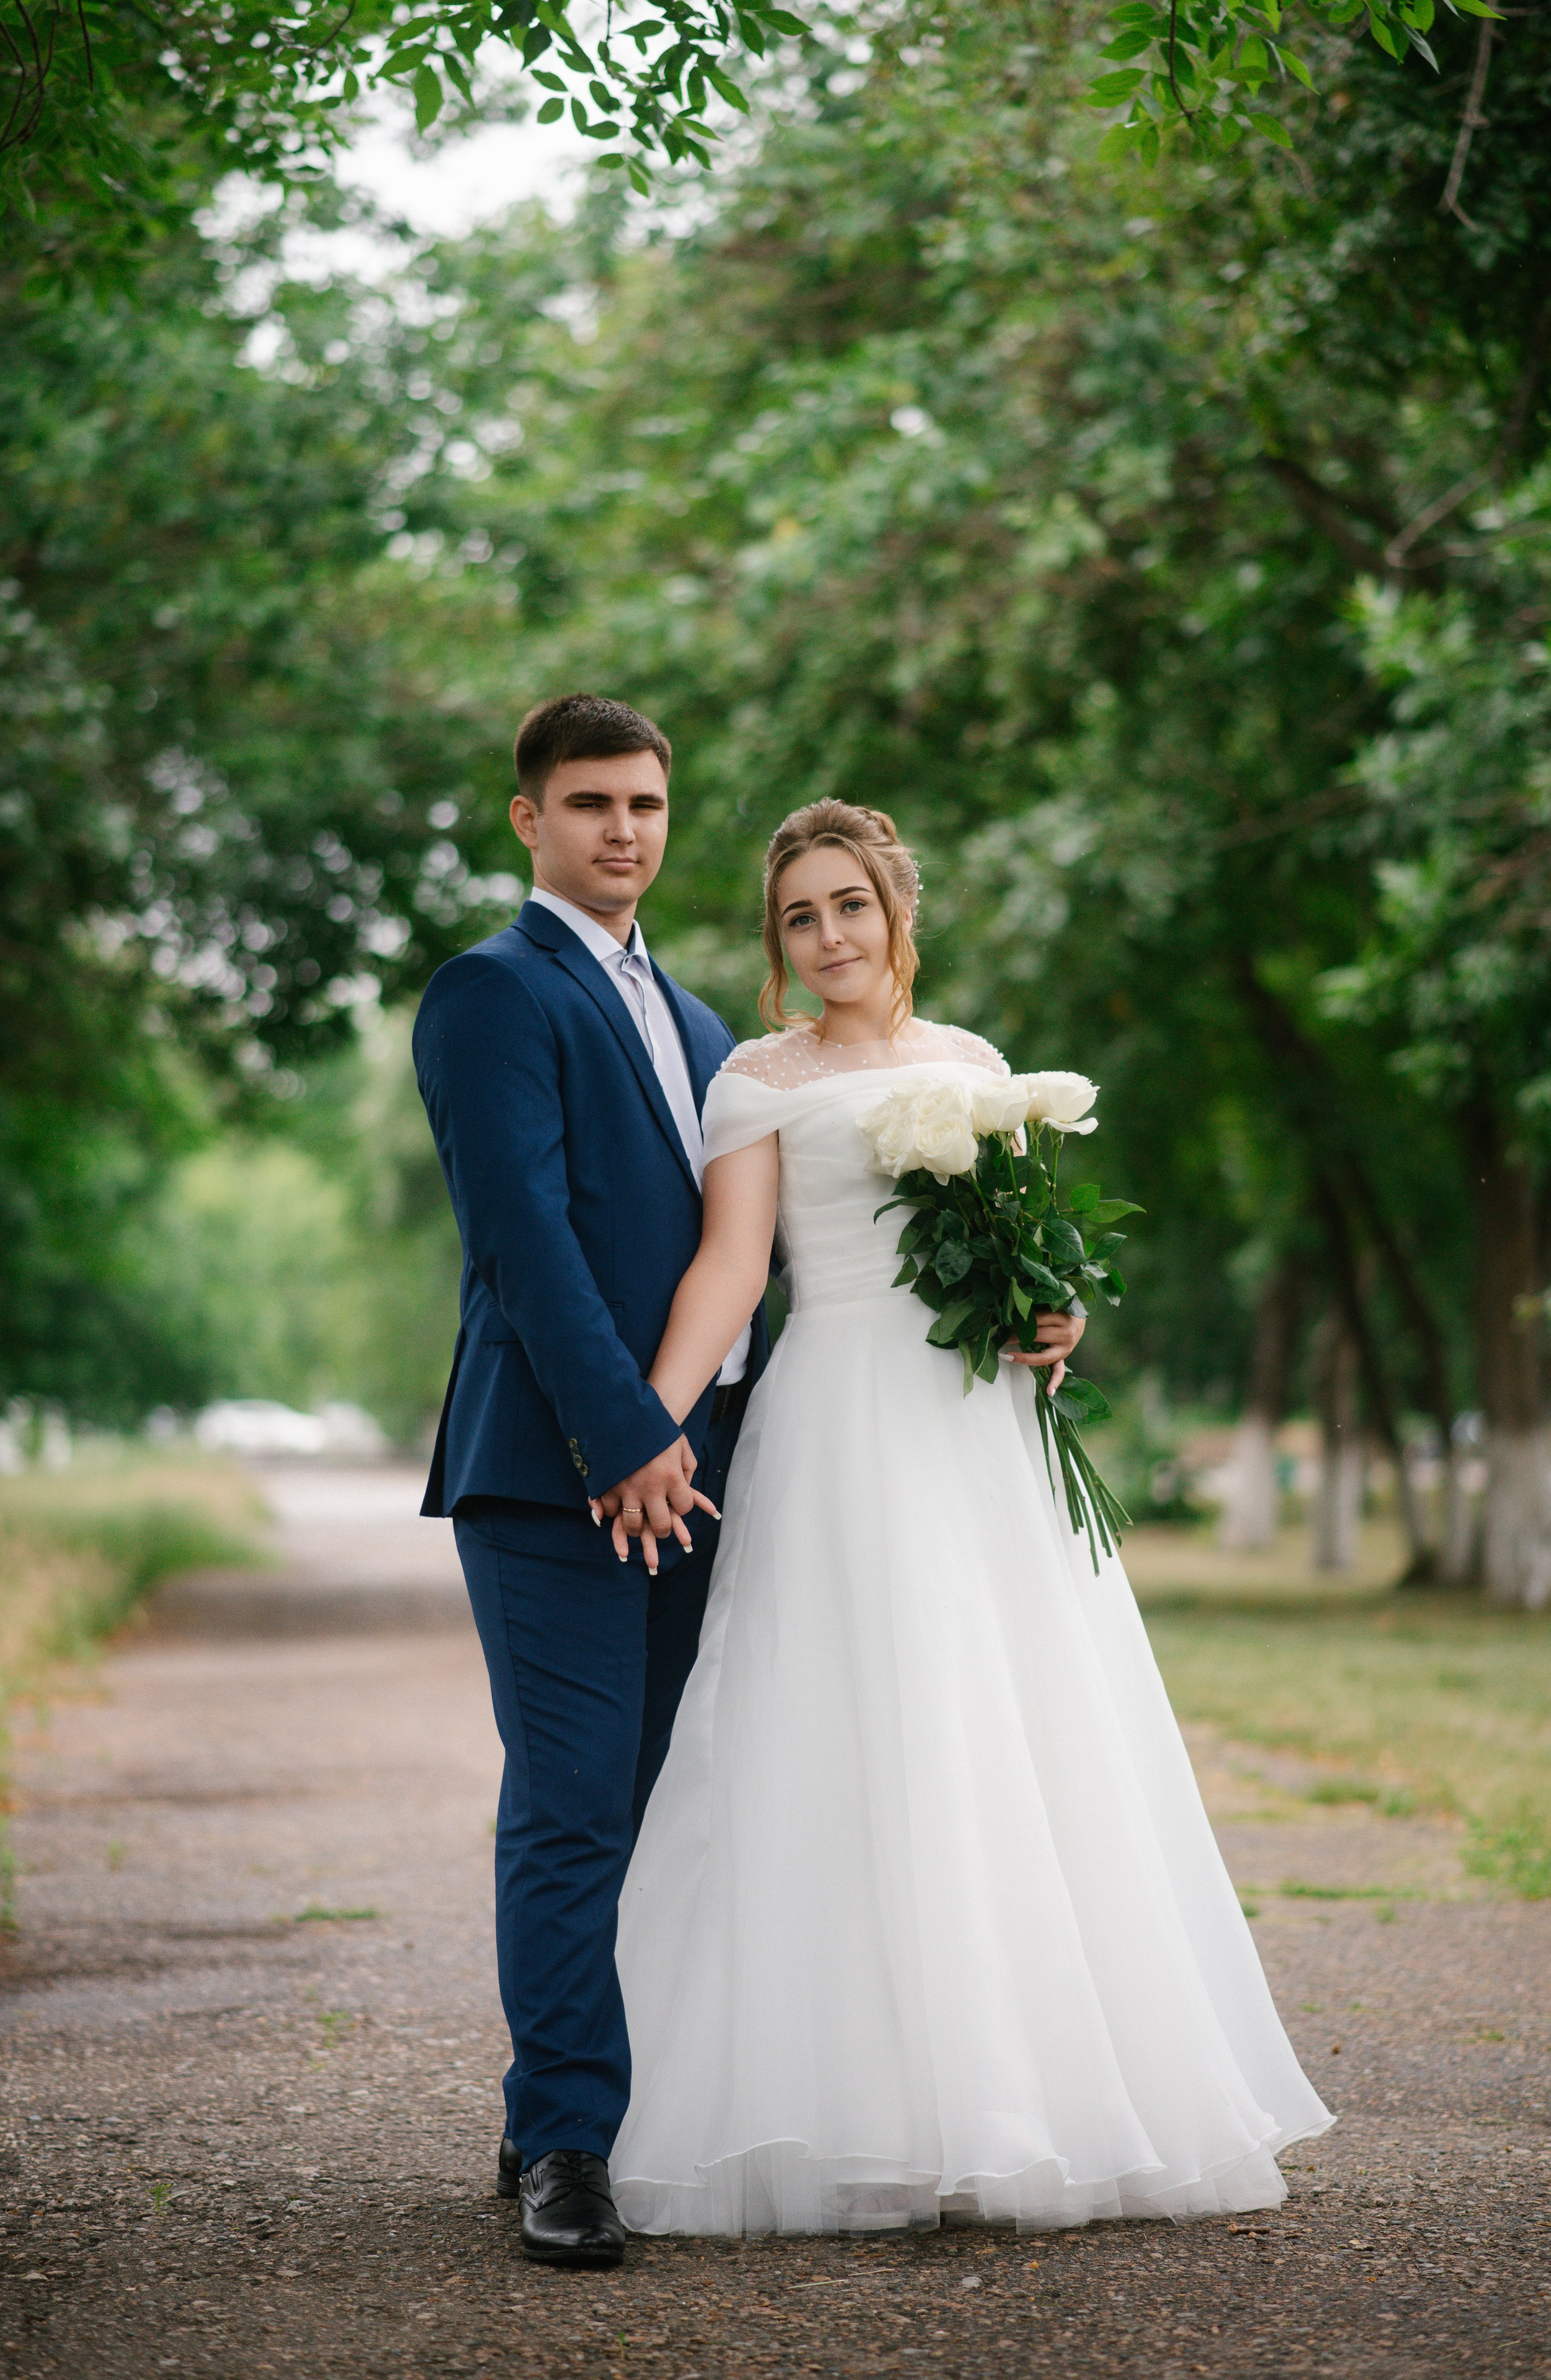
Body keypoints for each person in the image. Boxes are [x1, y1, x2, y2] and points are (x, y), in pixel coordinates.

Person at [598, 797, 1334, 2235]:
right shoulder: (752, 1080)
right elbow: (731, 1272)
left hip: (978, 1430)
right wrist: (647, 1423)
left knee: (1012, 1729)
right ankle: (856, 2105)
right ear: (777, 942)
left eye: (848, 906)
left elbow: (1016, 1260)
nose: (827, 937)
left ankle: (1026, 2097)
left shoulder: (978, 1068)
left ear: (895, 914)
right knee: (836, 1731)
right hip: (837, 1426)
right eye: (798, 917)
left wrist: (1053, 1317)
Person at [412, 693, 774, 2269]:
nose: (622, 830)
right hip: (552, 1467)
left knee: (645, 1801)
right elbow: (522, 1234)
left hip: (706, 1473)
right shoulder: (491, 991)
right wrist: (621, 1436)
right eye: (589, 802)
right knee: (569, 1803)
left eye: (644, 803)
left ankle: (547, 2102)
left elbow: (747, 1249)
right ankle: (565, 2143)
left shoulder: (702, 1025)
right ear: (529, 819)